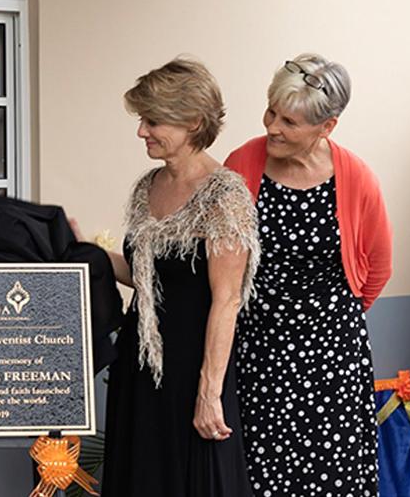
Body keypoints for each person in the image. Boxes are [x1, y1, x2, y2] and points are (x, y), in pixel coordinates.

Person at [226, 53, 390, 495]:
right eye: (271, 111)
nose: (272, 127)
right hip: (259, 352)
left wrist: (333, 321)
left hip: (333, 357)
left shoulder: (356, 178)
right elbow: (218, 257)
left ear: (327, 127)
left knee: (333, 477)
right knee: (259, 475)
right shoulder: (242, 163)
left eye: (289, 122)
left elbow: (377, 268)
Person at [95, 59, 258, 496]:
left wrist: (210, 392)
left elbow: (226, 300)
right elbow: (150, 276)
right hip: (141, 364)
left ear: (193, 122)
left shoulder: (225, 196)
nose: (141, 131)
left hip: (191, 368)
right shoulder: (148, 185)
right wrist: (91, 254)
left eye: (152, 121)